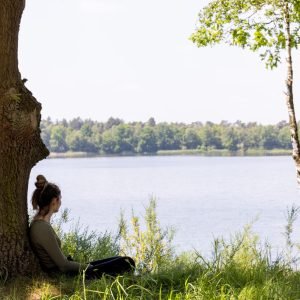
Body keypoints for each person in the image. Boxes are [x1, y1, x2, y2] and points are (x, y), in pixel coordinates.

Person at [29, 174, 135, 279]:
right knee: (126, 262)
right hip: (63, 275)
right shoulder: (42, 228)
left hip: (64, 270)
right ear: (54, 201)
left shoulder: (40, 224)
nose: (60, 202)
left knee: (119, 259)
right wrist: (90, 267)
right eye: (60, 199)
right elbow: (63, 265)